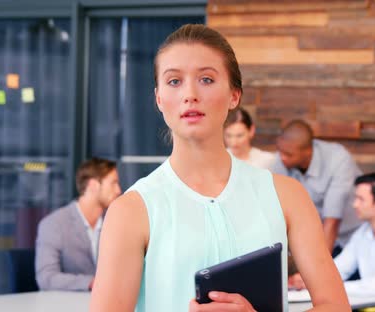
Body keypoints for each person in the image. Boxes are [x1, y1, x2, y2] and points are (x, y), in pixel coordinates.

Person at [90, 24, 349, 312]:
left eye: (206, 79)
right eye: (174, 81)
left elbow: (336, 305)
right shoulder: (131, 211)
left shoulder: (287, 195)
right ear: (159, 98)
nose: (190, 93)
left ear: (234, 96)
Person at [290, 172, 375, 312]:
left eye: (361, 199)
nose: (354, 204)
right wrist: (312, 279)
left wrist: (331, 287)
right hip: (372, 307)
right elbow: (340, 268)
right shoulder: (363, 232)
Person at [272, 120, 362, 253]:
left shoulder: (338, 160)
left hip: (350, 238)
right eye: (280, 151)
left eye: (289, 155)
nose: (282, 157)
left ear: (308, 152)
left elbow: (332, 221)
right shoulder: (283, 159)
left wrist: (317, 267)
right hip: (314, 237)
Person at [35, 157, 121, 291]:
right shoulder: (54, 224)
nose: (118, 190)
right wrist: (92, 282)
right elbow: (47, 278)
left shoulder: (114, 223)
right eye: (113, 183)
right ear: (93, 185)